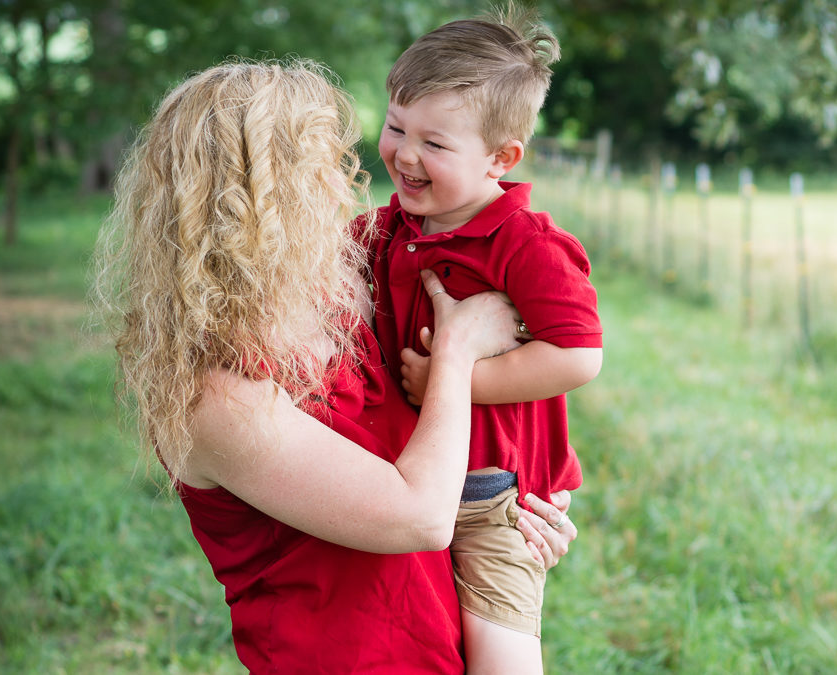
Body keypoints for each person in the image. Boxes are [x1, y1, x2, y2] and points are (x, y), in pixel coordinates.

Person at [92, 60, 578, 673]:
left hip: (442, 641)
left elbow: (450, 449)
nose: (347, 182)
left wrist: (515, 515)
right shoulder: (215, 396)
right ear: (263, 198)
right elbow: (419, 516)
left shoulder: (344, 287)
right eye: (321, 165)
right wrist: (456, 350)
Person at [367, 6, 603, 673]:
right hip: (407, 475)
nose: (405, 154)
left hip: (492, 494)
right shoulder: (400, 224)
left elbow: (579, 353)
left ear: (502, 158)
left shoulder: (523, 244)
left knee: (500, 655)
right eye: (395, 126)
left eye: (435, 144)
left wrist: (457, 375)